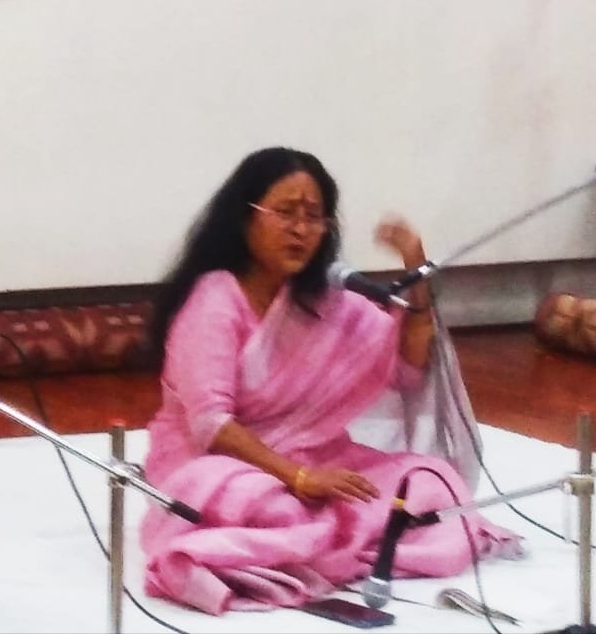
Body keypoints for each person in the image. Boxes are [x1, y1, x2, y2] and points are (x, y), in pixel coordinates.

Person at [140, 146, 521, 615]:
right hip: (216, 464)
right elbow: (211, 425)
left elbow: (407, 368)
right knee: (270, 505)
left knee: (429, 480)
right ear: (245, 218)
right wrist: (298, 478)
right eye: (285, 213)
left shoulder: (324, 299)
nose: (300, 229)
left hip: (313, 458)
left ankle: (322, 539)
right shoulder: (214, 299)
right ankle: (323, 536)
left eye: (314, 216)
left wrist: (415, 267)